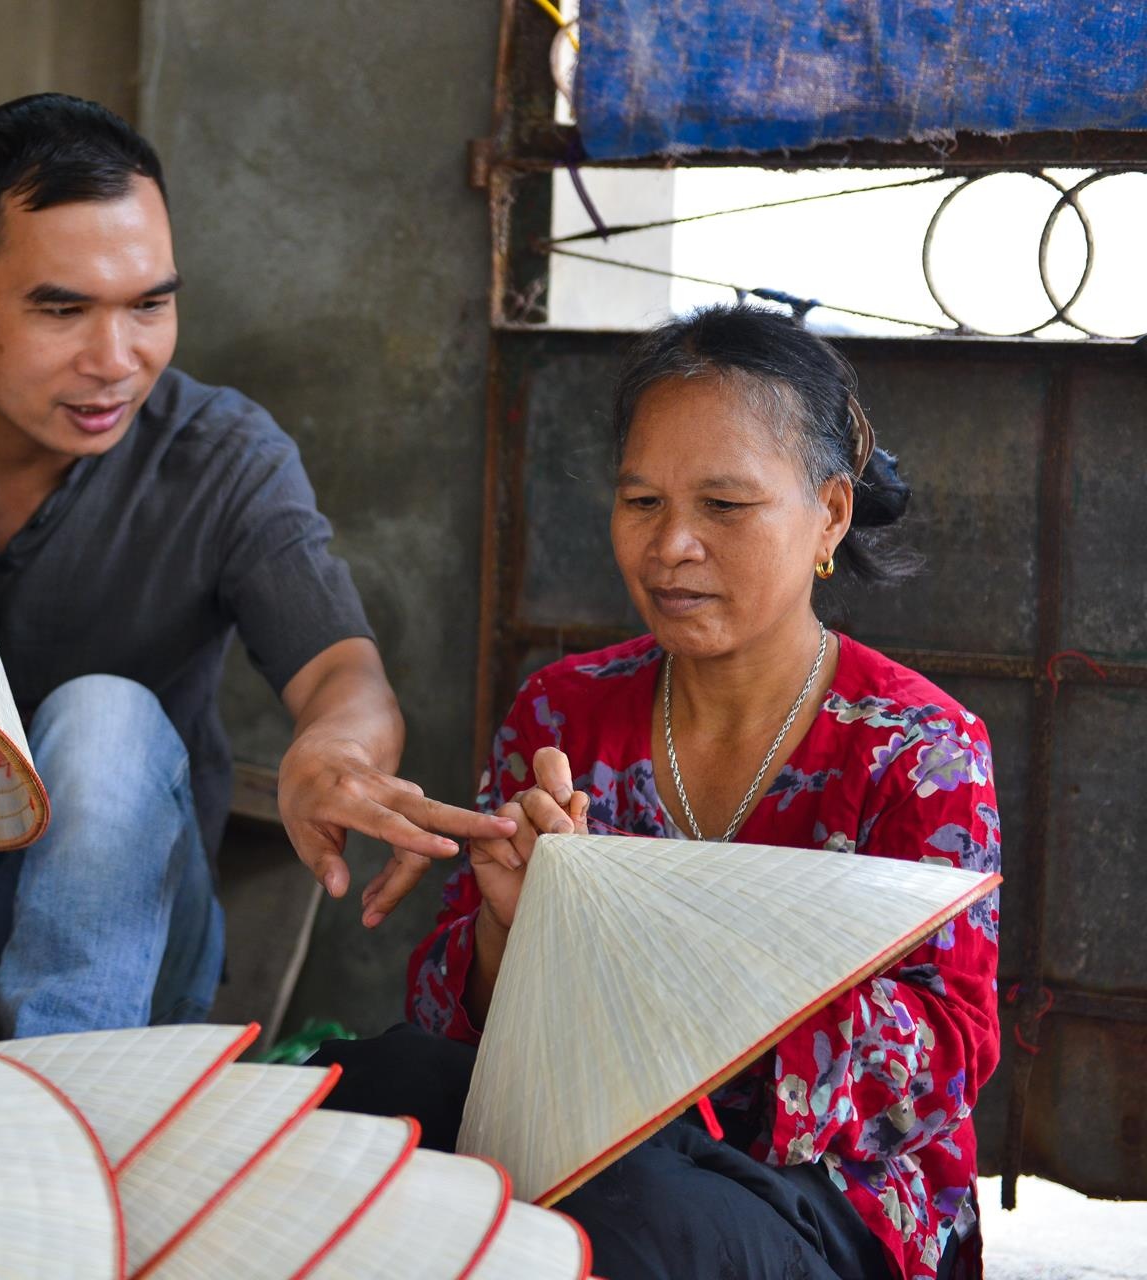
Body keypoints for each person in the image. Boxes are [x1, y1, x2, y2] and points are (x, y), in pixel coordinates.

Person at [0, 93, 513, 1039]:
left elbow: (345, 672)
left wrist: (331, 755)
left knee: (103, 715)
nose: (116, 359)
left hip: (126, 953)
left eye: (150, 306)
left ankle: (64, 1107)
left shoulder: (224, 458)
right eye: (63, 310)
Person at [323, 304, 1000, 1280]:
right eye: (641, 500)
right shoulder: (562, 711)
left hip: (819, 1195)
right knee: (365, 1090)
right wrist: (511, 930)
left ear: (831, 515)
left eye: (724, 506)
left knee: (606, 1218)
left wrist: (680, 981)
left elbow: (948, 1054)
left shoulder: (918, 748)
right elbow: (449, 1023)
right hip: (576, 1132)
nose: (671, 541)